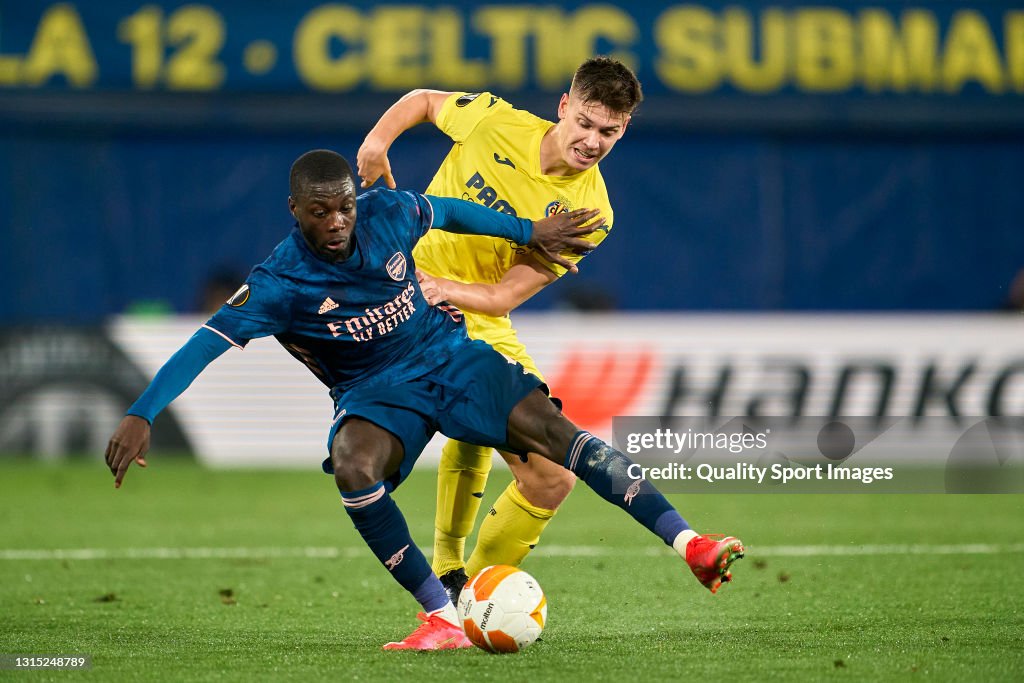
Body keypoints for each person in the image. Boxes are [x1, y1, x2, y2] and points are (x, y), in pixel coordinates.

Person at [105, 150, 744, 651]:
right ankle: (441, 611)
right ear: (294, 210)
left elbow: (451, 210)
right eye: (320, 211)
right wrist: (142, 411)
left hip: (449, 354)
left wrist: (529, 229)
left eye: (344, 208)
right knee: (354, 466)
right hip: (375, 393)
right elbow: (203, 343)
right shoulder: (278, 284)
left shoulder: (385, 211)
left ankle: (688, 543)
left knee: (556, 435)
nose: (337, 222)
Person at [356, 56, 643, 600]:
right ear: (564, 106)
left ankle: (465, 595)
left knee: (550, 477)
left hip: (478, 313)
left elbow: (505, 294)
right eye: (585, 122)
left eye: (610, 131)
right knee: (509, 446)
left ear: (624, 129)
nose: (592, 141)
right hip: (403, 303)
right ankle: (452, 583)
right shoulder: (494, 121)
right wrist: (377, 142)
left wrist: (440, 287)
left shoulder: (591, 213)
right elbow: (420, 99)